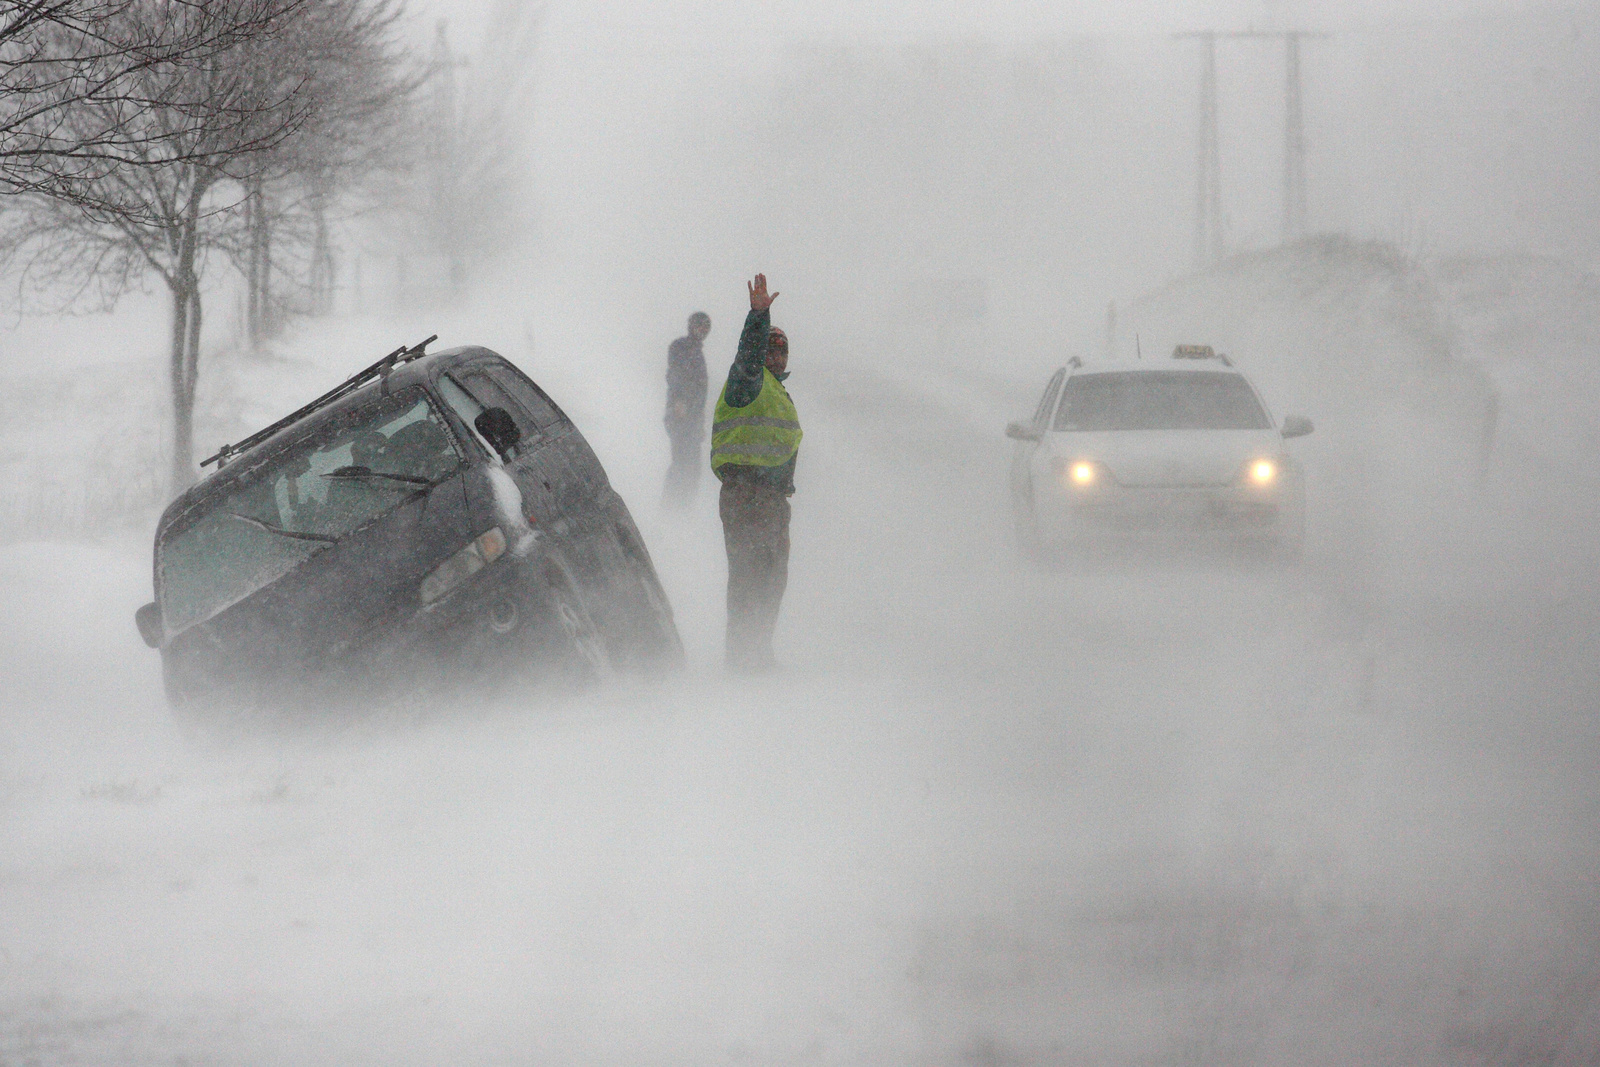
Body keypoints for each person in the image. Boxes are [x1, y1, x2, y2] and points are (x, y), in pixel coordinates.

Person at [710, 274, 802, 671]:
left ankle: (757, 649)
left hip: (771, 499)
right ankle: (742, 656)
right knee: (750, 576)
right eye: (770, 350)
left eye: (782, 351)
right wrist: (758, 317)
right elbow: (747, 354)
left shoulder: (777, 390)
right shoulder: (747, 380)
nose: (776, 357)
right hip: (746, 494)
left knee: (772, 578)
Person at [662, 311, 711, 508]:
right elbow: (675, 375)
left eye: (706, 327)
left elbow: (699, 392)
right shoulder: (681, 346)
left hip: (691, 420)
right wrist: (678, 402)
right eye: (700, 325)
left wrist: (699, 422)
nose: (703, 330)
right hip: (681, 416)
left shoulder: (697, 352)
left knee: (691, 467)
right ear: (691, 325)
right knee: (683, 464)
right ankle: (673, 508)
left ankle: (683, 507)